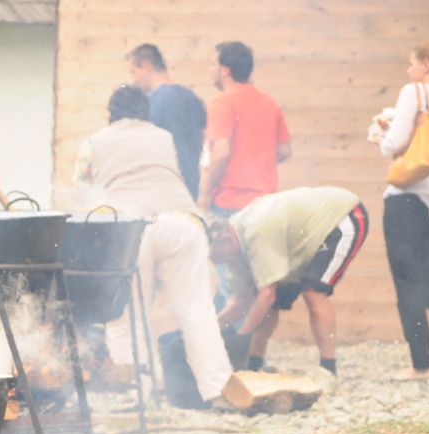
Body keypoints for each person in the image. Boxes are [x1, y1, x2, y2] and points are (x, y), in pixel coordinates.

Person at [73, 85, 232, 404]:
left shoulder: (94, 142)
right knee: (197, 311)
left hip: (131, 229)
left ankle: (137, 394)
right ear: (146, 112)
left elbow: (82, 192)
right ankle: (220, 390)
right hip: (182, 222)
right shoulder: (163, 137)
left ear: (110, 114)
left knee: (126, 316)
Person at [209, 187, 369, 378]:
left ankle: (328, 370)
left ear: (227, 240)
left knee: (313, 293)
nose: (218, 262)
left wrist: (241, 337)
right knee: (268, 301)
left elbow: (267, 295)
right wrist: (211, 329)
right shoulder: (233, 247)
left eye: (217, 257)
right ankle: (253, 365)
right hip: (299, 242)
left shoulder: (257, 231)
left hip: (342, 218)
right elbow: (242, 301)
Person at [376, 41, 429, 379]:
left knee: (408, 284)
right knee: (424, 279)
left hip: (409, 198)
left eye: (412, 64)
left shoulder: (415, 92)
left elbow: (395, 144)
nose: (409, 71)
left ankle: (421, 365)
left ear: (426, 65)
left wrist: (381, 138)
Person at [199, 42, 291, 216]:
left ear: (225, 71)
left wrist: (205, 196)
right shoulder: (269, 103)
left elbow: (221, 153)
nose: (209, 70)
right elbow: (284, 151)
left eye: (212, 64)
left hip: (230, 202)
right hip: (266, 203)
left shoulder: (222, 102)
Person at [127, 43, 206, 199]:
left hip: (162, 190)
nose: (133, 79)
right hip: (192, 186)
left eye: (133, 71)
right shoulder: (192, 98)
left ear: (147, 66)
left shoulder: (150, 103)